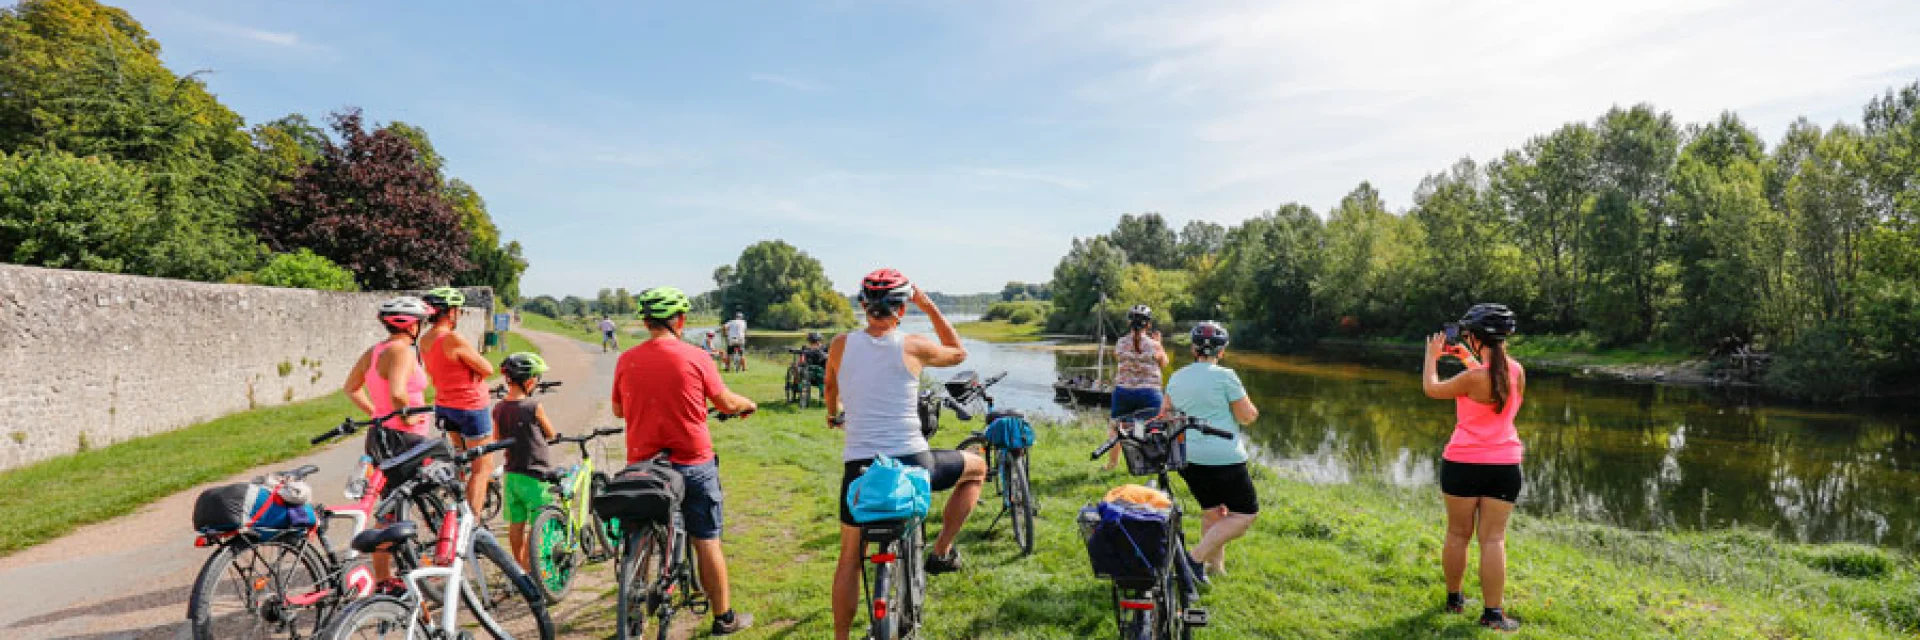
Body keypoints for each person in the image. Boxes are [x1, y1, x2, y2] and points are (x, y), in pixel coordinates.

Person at [824, 268, 986, 640]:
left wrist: (833, 415)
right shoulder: (912, 344)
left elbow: (831, 385)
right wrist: (927, 304)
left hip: (861, 469)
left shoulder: (840, 345)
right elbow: (959, 352)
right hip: (914, 463)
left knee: (849, 557)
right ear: (901, 309)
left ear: (864, 305)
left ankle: (840, 638)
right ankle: (942, 551)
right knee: (977, 468)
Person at [611, 286, 758, 635]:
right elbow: (724, 402)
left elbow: (619, 409)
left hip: (645, 466)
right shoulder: (696, 357)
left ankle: (635, 602)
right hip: (692, 463)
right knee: (706, 539)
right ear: (680, 320)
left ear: (646, 321)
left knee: (643, 532)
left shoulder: (626, 359)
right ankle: (724, 619)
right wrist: (748, 404)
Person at [1422, 303, 1525, 632]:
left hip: (1462, 463)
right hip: (1504, 465)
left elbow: (1432, 388)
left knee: (1457, 534)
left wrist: (1432, 356)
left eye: (1468, 335)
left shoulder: (1471, 378)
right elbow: (1491, 379)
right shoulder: (1517, 372)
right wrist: (1466, 355)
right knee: (1493, 539)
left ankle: (1454, 600)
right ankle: (1493, 615)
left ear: (1476, 338)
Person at [341, 296, 434, 589]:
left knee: (389, 505)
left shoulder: (375, 350)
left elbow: (351, 387)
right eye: (421, 322)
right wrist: (407, 419)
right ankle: (408, 570)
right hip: (405, 439)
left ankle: (384, 578)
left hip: (380, 435)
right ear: (412, 325)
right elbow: (398, 393)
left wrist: (375, 413)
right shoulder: (402, 351)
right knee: (409, 498)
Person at [1162, 321, 1260, 585]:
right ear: (1222, 351)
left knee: (1213, 512)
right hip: (1224, 458)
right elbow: (1247, 416)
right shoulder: (1226, 376)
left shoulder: (1176, 377)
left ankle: (1214, 569)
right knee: (1244, 515)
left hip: (1188, 458)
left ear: (1193, 349)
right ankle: (1193, 559)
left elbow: (1165, 415)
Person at [420, 287, 498, 516]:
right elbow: (487, 368)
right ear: (450, 312)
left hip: (445, 405)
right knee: (482, 467)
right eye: (458, 311)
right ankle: (470, 526)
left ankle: (454, 510)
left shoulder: (425, 339)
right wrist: (474, 372)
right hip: (470, 406)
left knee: (461, 459)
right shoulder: (452, 338)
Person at [494, 353, 558, 570]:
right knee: (540, 518)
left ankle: (520, 565)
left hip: (512, 474)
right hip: (535, 473)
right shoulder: (533, 407)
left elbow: (497, 439)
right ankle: (534, 563)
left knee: (516, 522)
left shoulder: (499, 409)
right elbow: (550, 433)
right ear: (530, 381)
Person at [1106, 304, 1170, 470]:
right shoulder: (1153, 345)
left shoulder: (1121, 343)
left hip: (1124, 392)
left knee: (1116, 427)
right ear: (1148, 325)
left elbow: (1118, 357)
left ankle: (1112, 463)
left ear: (1129, 323)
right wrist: (1159, 344)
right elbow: (1164, 363)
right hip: (1149, 393)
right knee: (1143, 426)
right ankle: (1142, 463)